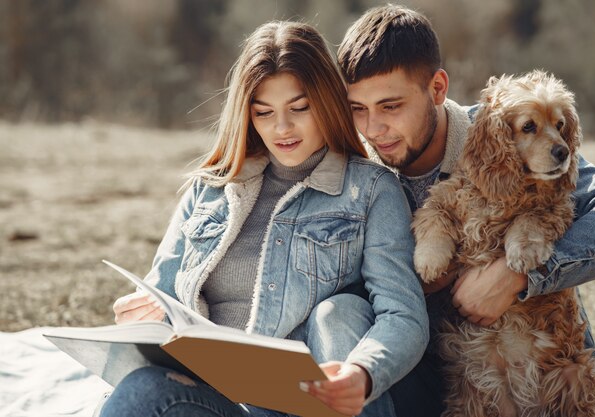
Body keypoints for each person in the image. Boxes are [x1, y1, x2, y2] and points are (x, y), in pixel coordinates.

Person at [96, 20, 428, 417]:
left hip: (306, 405)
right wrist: (137, 318)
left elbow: (403, 313)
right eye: (264, 112)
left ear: (326, 101)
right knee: (142, 390)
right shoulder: (210, 189)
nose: (282, 128)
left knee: (338, 312)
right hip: (217, 400)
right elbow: (161, 295)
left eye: (299, 108)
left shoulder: (370, 190)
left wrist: (363, 372)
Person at [337, 4, 595, 417]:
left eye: (391, 106)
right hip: (460, 394)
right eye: (358, 109)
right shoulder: (360, 176)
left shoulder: (503, 127)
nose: (372, 129)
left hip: (555, 389)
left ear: (437, 88)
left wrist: (519, 274)